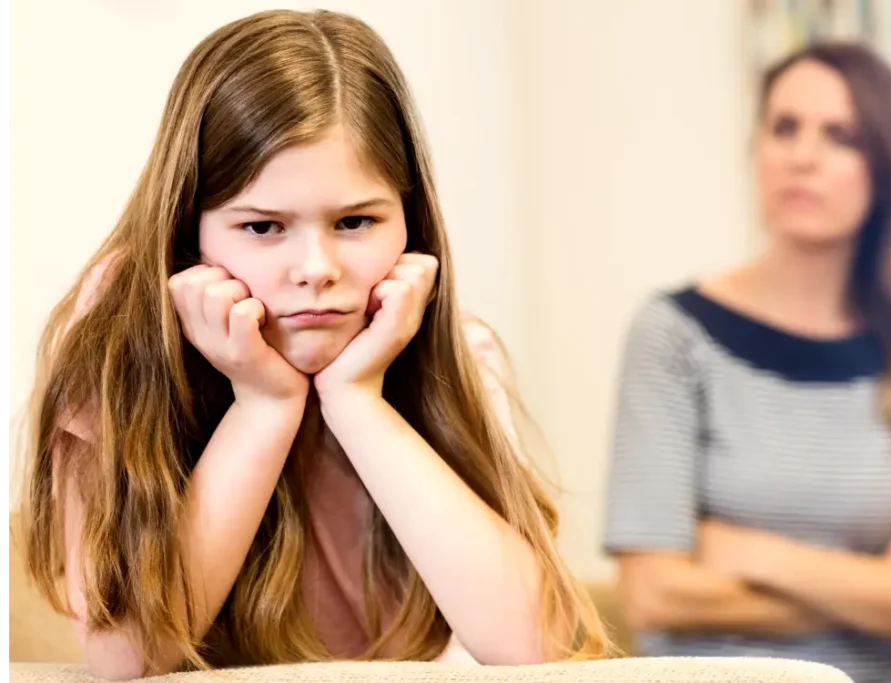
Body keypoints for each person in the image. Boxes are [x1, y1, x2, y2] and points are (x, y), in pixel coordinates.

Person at [18, 10, 610, 679]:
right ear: (190, 234)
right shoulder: (117, 348)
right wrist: (263, 405)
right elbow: (126, 655)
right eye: (264, 226)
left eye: (355, 221)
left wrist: (358, 400)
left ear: (411, 226)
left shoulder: (450, 349)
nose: (316, 268)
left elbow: (538, 648)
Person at [603, 42, 891, 683]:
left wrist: (749, 553)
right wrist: (888, 587)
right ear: (756, 150)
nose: (802, 156)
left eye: (841, 136)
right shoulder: (672, 336)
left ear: (887, 169)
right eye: (784, 128)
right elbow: (654, 595)